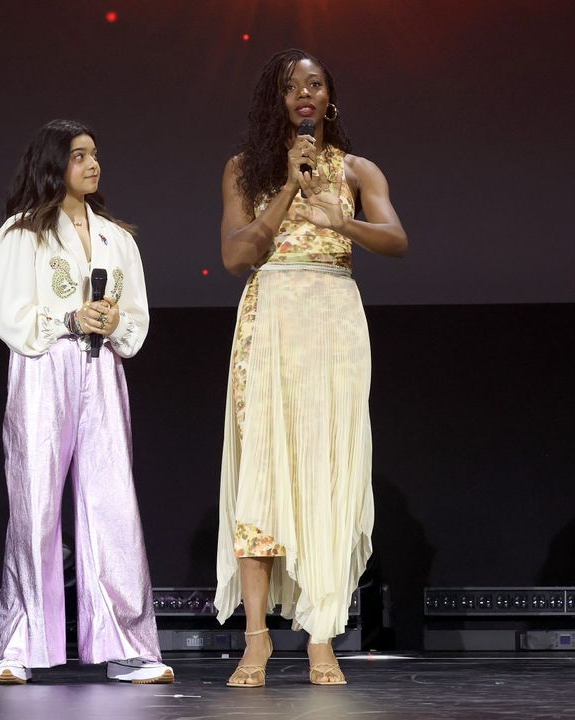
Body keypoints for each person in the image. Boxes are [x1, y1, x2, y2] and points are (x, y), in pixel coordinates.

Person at [215, 49, 408, 687]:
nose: (304, 93)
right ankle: (257, 640)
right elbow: (236, 255)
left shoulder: (357, 168)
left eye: (315, 84)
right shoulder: (246, 170)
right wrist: (290, 190)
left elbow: (397, 240)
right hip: (269, 319)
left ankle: (322, 637)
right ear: (276, 101)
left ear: (330, 98)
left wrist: (341, 219)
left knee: (327, 469)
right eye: (291, 86)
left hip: (334, 319)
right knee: (263, 473)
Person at [0, 119, 173, 685]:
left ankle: (129, 647)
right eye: (79, 156)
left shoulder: (118, 238)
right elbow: (4, 312)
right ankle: (18, 646)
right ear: (53, 165)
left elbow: (135, 316)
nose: (92, 165)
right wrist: (67, 317)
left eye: (94, 154)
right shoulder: (21, 233)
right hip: (45, 365)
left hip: (102, 368)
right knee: (35, 502)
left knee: (111, 503)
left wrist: (112, 321)